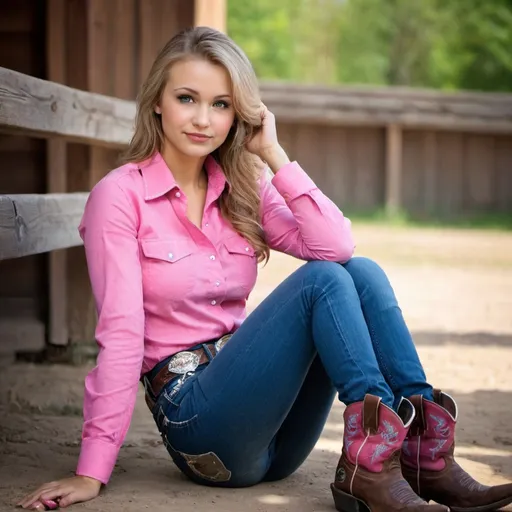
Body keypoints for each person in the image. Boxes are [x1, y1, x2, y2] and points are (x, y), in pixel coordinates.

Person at [18, 26, 512, 512]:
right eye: (187, 98)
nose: (203, 119)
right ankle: (376, 464)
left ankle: (424, 455)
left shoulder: (242, 185)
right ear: (157, 102)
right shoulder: (120, 198)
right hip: (202, 428)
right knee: (321, 283)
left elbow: (337, 245)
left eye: (221, 104)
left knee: (357, 272)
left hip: (276, 440)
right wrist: (91, 470)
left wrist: (273, 155)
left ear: (239, 114)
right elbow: (122, 336)